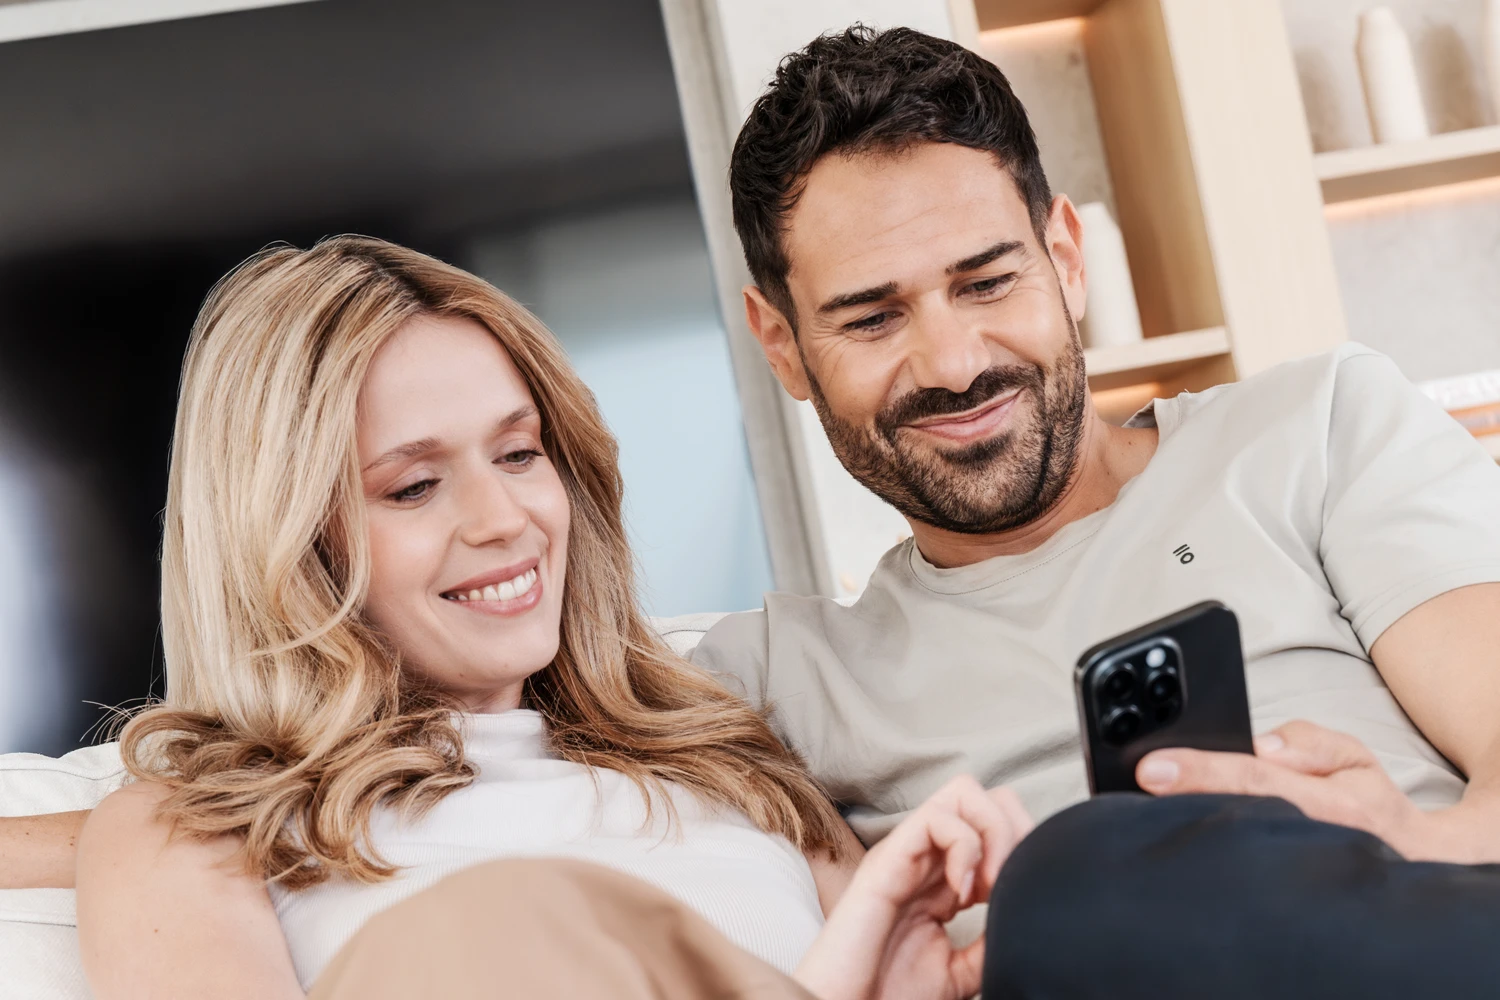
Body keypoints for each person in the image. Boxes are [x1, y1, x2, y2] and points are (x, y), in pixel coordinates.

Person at [63, 236, 1031, 1000]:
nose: (503, 520)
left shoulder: (728, 760)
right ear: (288, 546)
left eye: (520, 455)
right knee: (499, 921)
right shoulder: (182, 826)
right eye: (414, 486)